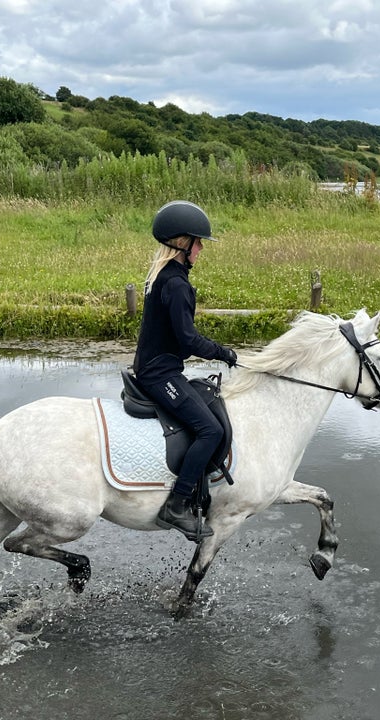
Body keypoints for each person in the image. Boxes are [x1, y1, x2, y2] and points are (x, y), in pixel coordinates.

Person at [133, 200, 238, 541]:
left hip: (163, 368)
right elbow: (188, 339)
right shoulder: (176, 284)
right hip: (158, 375)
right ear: (181, 243)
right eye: (198, 241)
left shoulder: (165, 275)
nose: (202, 247)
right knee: (210, 430)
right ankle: (177, 505)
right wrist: (223, 352)